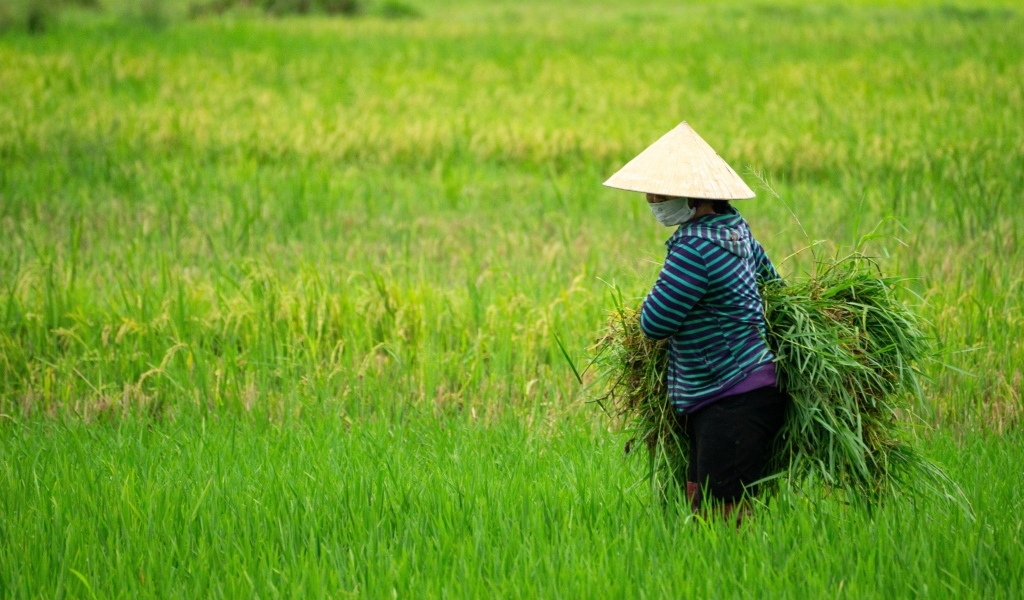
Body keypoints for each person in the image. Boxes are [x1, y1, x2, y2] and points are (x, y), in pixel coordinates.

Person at [603, 122, 787, 522]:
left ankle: (734, 576)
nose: (652, 200)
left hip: (730, 396)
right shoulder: (735, 229)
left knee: (721, 514)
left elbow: (654, 322)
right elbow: (774, 284)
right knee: (702, 501)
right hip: (742, 390)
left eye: (661, 192)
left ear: (694, 195)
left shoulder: (694, 247)